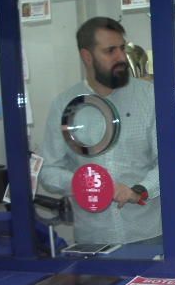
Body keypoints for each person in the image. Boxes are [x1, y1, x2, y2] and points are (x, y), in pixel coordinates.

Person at [39, 17, 161, 245]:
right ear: (87, 56)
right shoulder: (64, 105)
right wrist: (86, 183)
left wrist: (139, 190)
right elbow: (48, 171)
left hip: (149, 235)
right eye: (110, 51)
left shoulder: (150, 97)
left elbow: (168, 162)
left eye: (122, 48)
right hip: (94, 239)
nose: (121, 57)